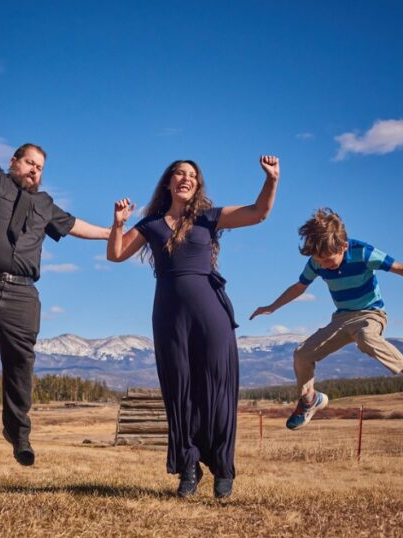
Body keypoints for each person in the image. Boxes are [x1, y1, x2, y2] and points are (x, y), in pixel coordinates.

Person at [0, 54, 111, 466]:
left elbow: (78, 226)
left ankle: (19, 435)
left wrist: (116, 232)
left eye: (41, 167)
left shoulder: (45, 204)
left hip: (21, 294)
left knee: (20, 366)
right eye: (30, 162)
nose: (35, 170)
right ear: (14, 161)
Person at [108, 155, 281, 498]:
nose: (185, 178)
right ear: (168, 182)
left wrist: (271, 179)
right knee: (180, 391)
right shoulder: (150, 224)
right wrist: (118, 224)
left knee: (217, 389)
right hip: (169, 316)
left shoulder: (209, 218)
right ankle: (189, 468)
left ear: (197, 184)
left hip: (211, 313)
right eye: (179, 173)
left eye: (192, 175)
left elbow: (258, 213)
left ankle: (222, 468)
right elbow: (115, 255)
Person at [250, 208, 403, 430]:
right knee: (302, 354)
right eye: (319, 260)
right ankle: (310, 399)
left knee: (366, 337)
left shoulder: (363, 253)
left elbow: (402, 268)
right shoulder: (316, 262)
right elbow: (300, 287)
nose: (324, 265)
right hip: (342, 318)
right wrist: (272, 307)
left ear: (343, 246)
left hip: (371, 313)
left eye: (328, 260)